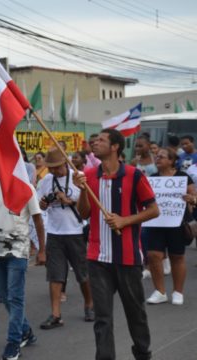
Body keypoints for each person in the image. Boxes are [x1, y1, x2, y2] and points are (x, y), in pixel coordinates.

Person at [74, 128, 160, 360]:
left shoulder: (134, 175)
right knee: (102, 318)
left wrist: (125, 220)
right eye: (95, 140)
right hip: (97, 258)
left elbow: (154, 209)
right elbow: (83, 213)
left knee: (136, 314)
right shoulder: (89, 175)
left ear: (115, 147)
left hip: (128, 258)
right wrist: (82, 190)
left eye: (101, 140)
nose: (95, 143)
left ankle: (143, 353)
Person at [0, 179, 45, 360]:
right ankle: (26, 330)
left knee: (15, 296)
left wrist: (42, 249)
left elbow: (37, 218)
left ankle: (14, 342)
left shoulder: (26, 188)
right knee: (5, 296)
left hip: (19, 251)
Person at [36, 147, 94, 330]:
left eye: (57, 167)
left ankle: (89, 305)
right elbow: (40, 206)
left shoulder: (79, 176)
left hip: (76, 232)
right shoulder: (46, 180)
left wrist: (70, 201)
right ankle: (55, 314)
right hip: (55, 233)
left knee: (82, 274)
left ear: (65, 163)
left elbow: (88, 206)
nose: (54, 170)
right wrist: (44, 203)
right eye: (51, 167)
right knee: (55, 275)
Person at [144, 148, 196, 306]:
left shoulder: (183, 177)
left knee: (177, 256)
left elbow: (194, 197)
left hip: (177, 223)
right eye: (157, 156)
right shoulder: (152, 178)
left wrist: (191, 199)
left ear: (172, 161)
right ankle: (160, 291)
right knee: (153, 256)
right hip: (156, 222)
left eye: (161, 157)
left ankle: (177, 292)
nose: (157, 159)